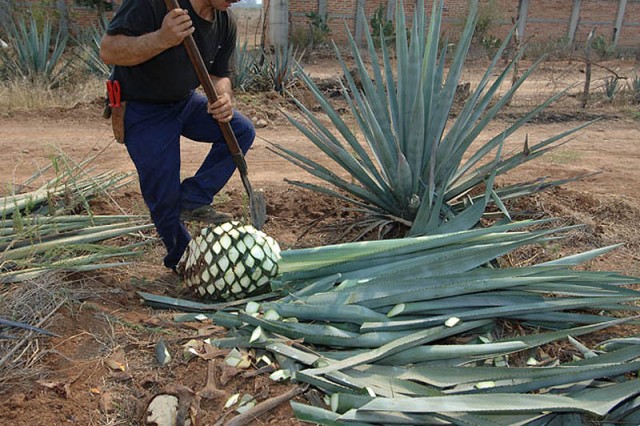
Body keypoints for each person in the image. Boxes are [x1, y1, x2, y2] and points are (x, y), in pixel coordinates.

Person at [100, 0, 255, 272]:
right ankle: (184, 260)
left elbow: (220, 74)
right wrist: (162, 38)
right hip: (142, 108)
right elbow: (109, 51)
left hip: (183, 102)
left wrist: (223, 96)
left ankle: (193, 197)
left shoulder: (224, 20)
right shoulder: (154, 4)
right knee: (163, 193)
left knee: (241, 130)